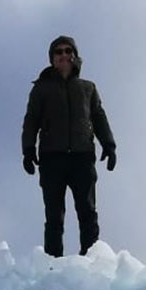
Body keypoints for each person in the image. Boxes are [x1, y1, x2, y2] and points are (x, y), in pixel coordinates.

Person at [21, 35, 117, 257]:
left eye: (67, 51)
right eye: (58, 52)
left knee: (88, 212)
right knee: (54, 216)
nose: (63, 55)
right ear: (52, 58)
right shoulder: (41, 89)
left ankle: (91, 260)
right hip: (51, 157)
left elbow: (99, 117)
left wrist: (109, 146)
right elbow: (31, 120)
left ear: (74, 56)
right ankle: (53, 263)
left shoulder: (88, 88)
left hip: (82, 157)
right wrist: (28, 150)